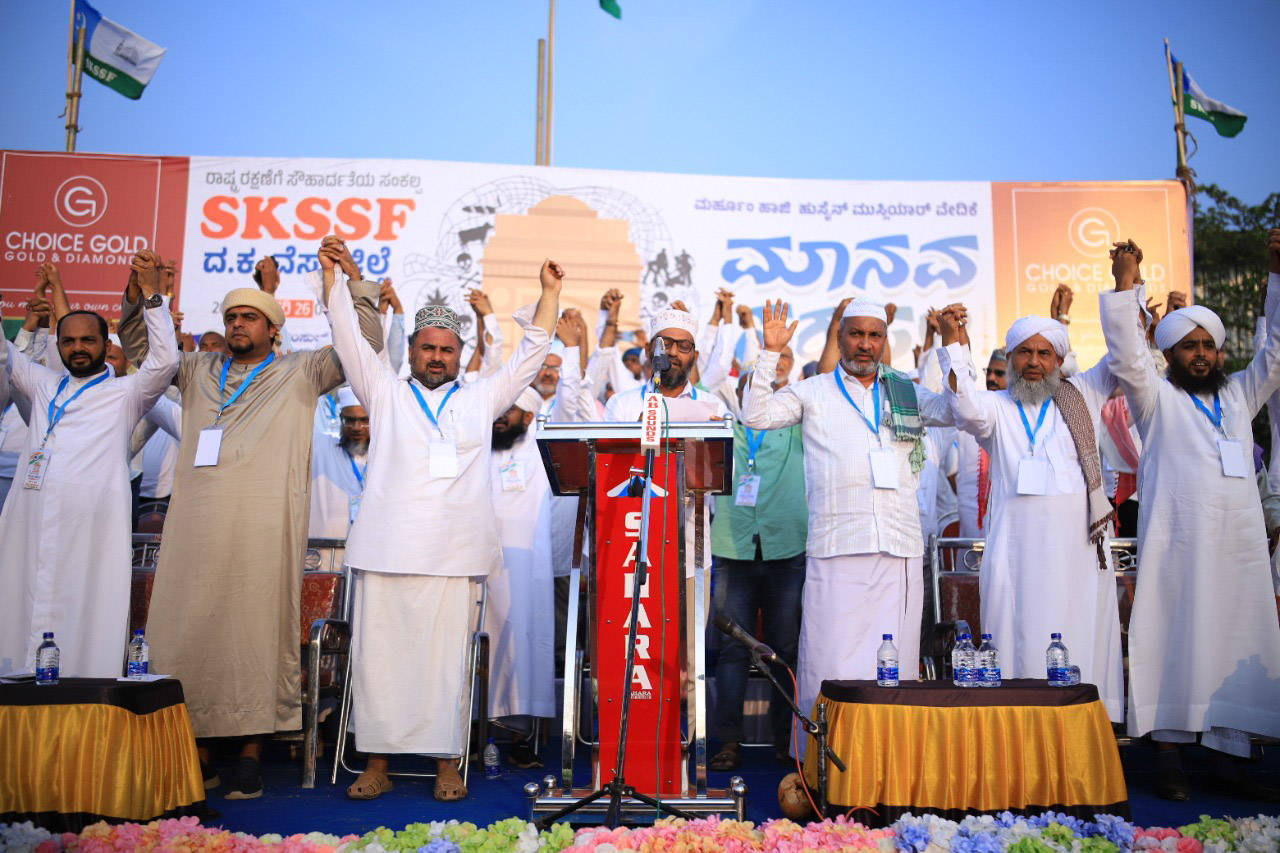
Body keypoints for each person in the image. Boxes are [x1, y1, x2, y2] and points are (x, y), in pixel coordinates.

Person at [116, 238, 385, 799]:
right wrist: (142, 293)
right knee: (190, 630)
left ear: (272, 328)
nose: (237, 325)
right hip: (195, 529)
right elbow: (143, 350)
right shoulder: (195, 369)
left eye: (249, 317)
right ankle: (196, 751)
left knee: (256, 636)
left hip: (265, 529)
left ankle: (249, 755)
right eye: (231, 317)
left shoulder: (301, 372)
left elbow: (364, 348)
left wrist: (354, 283)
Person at [326, 256, 563, 802]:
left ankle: (446, 765)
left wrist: (549, 294)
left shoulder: (480, 398)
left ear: (459, 356)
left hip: (453, 556)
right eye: (428, 348)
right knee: (379, 662)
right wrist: (334, 283)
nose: (437, 357)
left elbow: (530, 356)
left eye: (447, 350)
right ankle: (377, 762)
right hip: (387, 550)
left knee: (447, 666)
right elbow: (347, 340)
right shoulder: (384, 391)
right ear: (411, 351)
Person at [1100, 234, 1280, 802]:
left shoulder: (1240, 395)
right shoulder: (1155, 400)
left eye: (1208, 345)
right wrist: (1125, 282)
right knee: (1173, 639)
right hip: (1177, 548)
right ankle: (1170, 757)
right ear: (1171, 354)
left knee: (1234, 641)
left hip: (1239, 550)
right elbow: (1127, 356)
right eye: (1188, 346)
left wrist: (1276, 276)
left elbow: (1275, 352)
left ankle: (1230, 758)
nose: (1201, 354)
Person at [743, 297, 955, 758]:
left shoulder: (905, 390)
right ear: (840, 338)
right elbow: (756, 415)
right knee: (830, 658)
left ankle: (889, 758)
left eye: (874, 335)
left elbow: (958, 411)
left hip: (898, 546)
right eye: (856, 333)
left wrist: (953, 346)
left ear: (884, 340)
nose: (865, 344)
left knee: (893, 665)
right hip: (837, 545)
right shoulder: (813, 391)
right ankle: (822, 761)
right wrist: (769, 352)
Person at [937, 306, 1124, 721]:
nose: (1034, 362)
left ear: (1059, 360)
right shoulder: (996, 406)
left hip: (1076, 556)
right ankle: (1019, 728)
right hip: (1016, 558)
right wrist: (953, 340)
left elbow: (1123, 355)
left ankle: (1079, 727)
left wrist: (1126, 288)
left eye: (1044, 353)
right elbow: (964, 407)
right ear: (1010, 358)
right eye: (1024, 352)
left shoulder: (1085, 393)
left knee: (1077, 635)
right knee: (1017, 644)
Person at [0, 253, 177, 678]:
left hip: (91, 529)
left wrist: (153, 296)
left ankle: (83, 691)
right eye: (68, 341)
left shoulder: (127, 392)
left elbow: (165, 362)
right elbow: (6, 355)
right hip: (31, 521)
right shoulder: (41, 384)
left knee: (87, 609)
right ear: (58, 346)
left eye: (88, 340)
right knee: (18, 600)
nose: (77, 348)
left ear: (104, 344)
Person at [709, 352, 806, 771]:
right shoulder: (722, 429)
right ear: (740, 391)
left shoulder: (796, 426)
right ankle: (729, 741)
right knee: (733, 649)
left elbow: (825, 369)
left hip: (786, 548)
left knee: (784, 649)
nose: (759, 393)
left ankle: (787, 742)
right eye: (751, 385)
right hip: (733, 550)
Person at [488, 385, 559, 768]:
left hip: (527, 569)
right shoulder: (480, 445)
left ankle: (520, 740)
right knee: (481, 647)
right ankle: (472, 736)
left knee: (525, 646)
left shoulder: (540, 449)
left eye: (510, 409)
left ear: (529, 416)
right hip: (481, 565)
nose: (500, 415)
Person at [309, 386, 368, 539]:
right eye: (350, 420)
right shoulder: (322, 447)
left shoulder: (383, 455)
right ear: (341, 418)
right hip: (324, 551)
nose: (357, 427)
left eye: (364, 420)